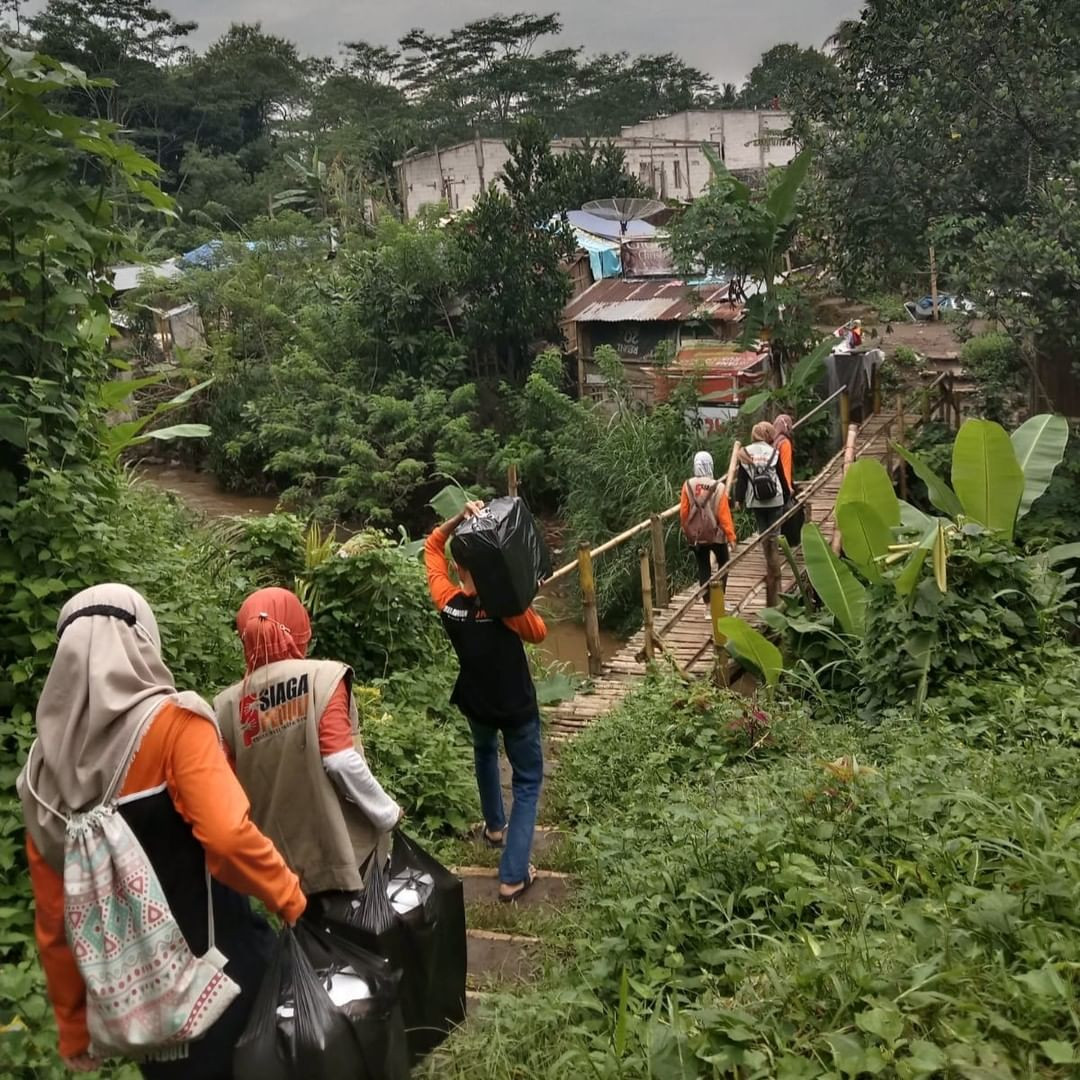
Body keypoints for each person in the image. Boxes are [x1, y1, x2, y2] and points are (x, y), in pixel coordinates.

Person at [19, 584, 305, 1079]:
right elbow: (228, 839)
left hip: (146, 1012)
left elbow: (55, 919)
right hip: (223, 978)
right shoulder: (174, 725)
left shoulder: (41, 779)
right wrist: (291, 898)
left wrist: (72, 1025)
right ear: (142, 640)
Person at [214, 587, 402, 927]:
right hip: (343, 852)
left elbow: (227, 790)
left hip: (280, 863)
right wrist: (387, 813)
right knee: (362, 946)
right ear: (295, 624)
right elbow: (340, 759)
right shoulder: (323, 678)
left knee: (312, 952)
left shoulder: (227, 706)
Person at [425, 501, 546, 903]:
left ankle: (495, 827)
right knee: (527, 783)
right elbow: (539, 632)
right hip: (515, 707)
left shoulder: (449, 603)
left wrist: (459, 518)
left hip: (476, 702)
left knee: (484, 754)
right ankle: (513, 876)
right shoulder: (507, 611)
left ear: (461, 568)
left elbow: (431, 547)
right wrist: (521, 595)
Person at [679, 450, 737, 611]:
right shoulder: (718, 487)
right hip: (717, 535)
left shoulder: (688, 485)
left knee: (703, 566)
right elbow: (724, 515)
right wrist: (731, 537)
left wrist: (688, 531)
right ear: (710, 465)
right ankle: (719, 602)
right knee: (724, 563)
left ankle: (707, 606)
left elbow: (684, 513)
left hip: (697, 535)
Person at [733, 421, 792, 534]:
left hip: (756, 499)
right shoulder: (774, 452)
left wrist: (738, 500)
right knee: (775, 533)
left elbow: (742, 479)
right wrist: (787, 494)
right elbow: (781, 475)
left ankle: (765, 551)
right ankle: (774, 551)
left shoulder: (745, 452)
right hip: (775, 498)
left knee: (762, 532)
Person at [772, 414, 795, 490]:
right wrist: (788, 486)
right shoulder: (784, 442)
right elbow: (785, 465)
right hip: (780, 483)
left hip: (770, 482)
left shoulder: (772, 441)